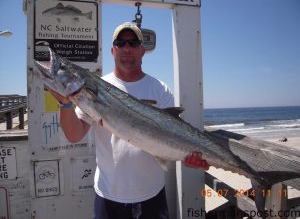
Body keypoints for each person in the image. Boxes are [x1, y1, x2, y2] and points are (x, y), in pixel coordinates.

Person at [49, 22, 209, 219]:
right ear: (112, 50)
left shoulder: (160, 89)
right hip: (108, 197)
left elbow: (171, 137)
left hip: (152, 195)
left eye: (133, 43)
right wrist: (65, 105)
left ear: (143, 51)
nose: (127, 48)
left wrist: (189, 155)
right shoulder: (97, 87)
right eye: (120, 43)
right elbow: (74, 135)